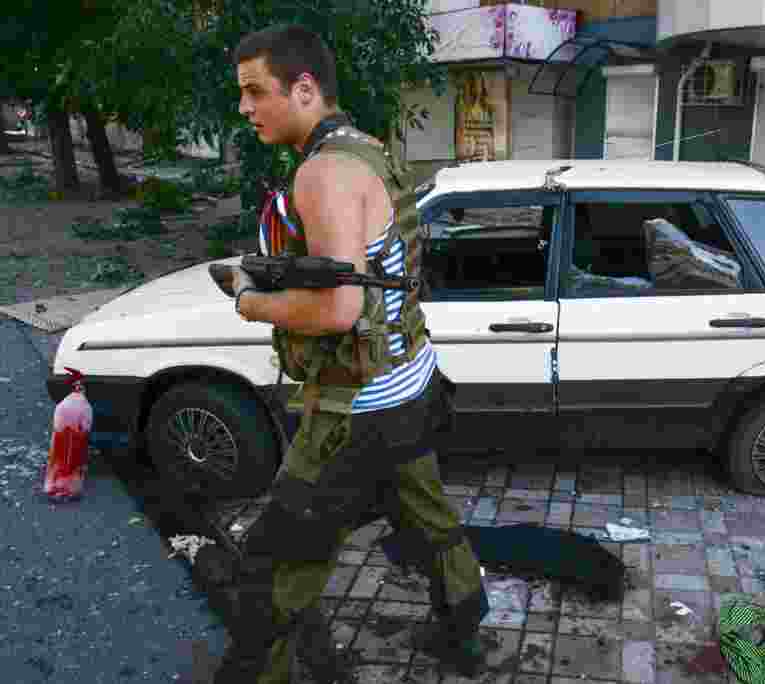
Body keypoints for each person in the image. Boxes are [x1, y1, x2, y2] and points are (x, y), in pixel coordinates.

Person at [206, 23, 489, 684]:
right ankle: (462, 628)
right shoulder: (366, 149)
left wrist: (250, 300)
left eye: (255, 92)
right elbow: (369, 273)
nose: (244, 108)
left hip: (355, 411)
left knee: (276, 562)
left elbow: (338, 310)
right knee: (431, 517)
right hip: (412, 386)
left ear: (303, 89)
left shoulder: (322, 171)